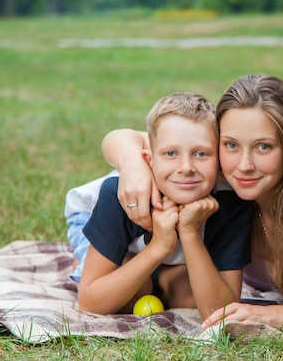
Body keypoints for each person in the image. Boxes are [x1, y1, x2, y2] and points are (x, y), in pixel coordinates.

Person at [102, 75, 283, 332]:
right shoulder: (221, 167)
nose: (245, 166)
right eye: (231, 144)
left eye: (264, 147)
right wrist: (131, 164)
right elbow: (122, 137)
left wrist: (268, 315)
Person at [64, 92, 253, 317]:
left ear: (219, 163)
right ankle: (83, 261)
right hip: (89, 214)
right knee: (118, 293)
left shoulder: (231, 202)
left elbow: (221, 312)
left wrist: (190, 233)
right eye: (170, 153)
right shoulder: (118, 194)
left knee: (184, 294)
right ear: (150, 160)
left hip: (171, 246)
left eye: (201, 154)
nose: (186, 167)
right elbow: (90, 304)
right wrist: (159, 247)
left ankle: (154, 275)